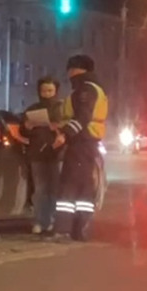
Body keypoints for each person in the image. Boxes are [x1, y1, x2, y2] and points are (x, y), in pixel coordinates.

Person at [52, 55, 108, 241]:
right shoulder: (91, 88)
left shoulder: (85, 89)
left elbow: (82, 117)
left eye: (70, 69)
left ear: (76, 69)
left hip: (81, 143)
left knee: (70, 185)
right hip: (86, 143)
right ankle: (80, 229)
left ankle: (63, 229)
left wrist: (65, 134)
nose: (68, 74)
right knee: (84, 187)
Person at [20, 76, 63, 235]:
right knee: (40, 190)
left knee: (54, 189)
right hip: (37, 154)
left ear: (56, 91)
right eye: (44, 90)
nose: (47, 94)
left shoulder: (61, 108)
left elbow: (67, 126)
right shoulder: (32, 109)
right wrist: (27, 126)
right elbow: (23, 131)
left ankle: (51, 220)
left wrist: (57, 128)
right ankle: (39, 221)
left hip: (56, 153)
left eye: (50, 90)